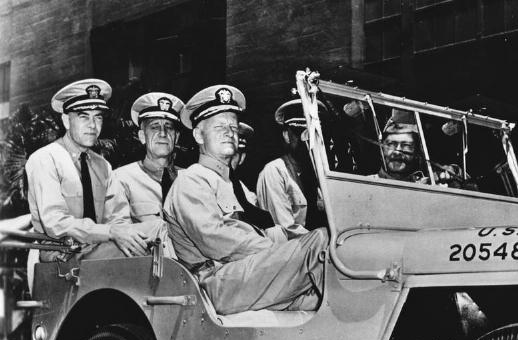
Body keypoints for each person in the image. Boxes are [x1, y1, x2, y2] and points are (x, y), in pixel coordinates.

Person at [163, 85, 328, 314]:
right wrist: (278, 249)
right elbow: (216, 238)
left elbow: (250, 228)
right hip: (216, 282)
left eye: (233, 127)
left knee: (326, 300)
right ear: (199, 135)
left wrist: (288, 239)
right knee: (321, 240)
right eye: (220, 127)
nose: (230, 133)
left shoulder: (228, 182)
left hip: (240, 275)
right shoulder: (191, 180)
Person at [25, 78, 148, 261]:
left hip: (97, 250)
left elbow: (119, 218)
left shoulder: (102, 166)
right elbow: (56, 223)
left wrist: (123, 234)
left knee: (150, 238)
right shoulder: (45, 159)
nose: (92, 125)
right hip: (60, 254)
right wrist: (110, 232)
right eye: (84, 117)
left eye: (98, 117)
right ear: (66, 120)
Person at [103, 92, 185, 255]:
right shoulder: (121, 178)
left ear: (176, 137)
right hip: (146, 268)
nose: (163, 133)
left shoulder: (192, 178)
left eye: (169, 127)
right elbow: (121, 236)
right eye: (155, 127)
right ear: (142, 136)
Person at [256, 99, 326, 239]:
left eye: (312, 134)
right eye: (300, 133)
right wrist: (324, 240)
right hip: (295, 251)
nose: (307, 140)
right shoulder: (275, 171)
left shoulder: (320, 173)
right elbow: (285, 229)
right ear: (287, 136)